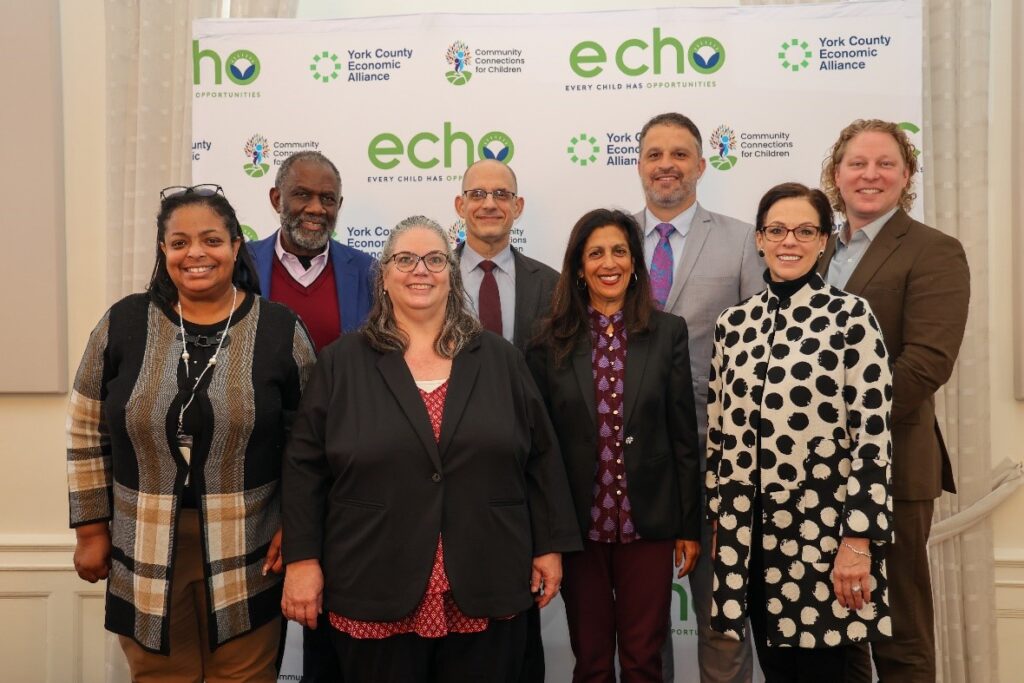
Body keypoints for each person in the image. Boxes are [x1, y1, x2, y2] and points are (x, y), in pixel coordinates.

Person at [280, 216, 581, 682]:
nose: (420, 270)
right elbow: (304, 469)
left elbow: (541, 457)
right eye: (405, 259)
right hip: (372, 578)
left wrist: (549, 547)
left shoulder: (500, 358)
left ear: (451, 274)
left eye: (435, 259)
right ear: (383, 275)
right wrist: (302, 560)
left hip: (486, 574)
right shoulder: (342, 362)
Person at [67, 185, 317, 682]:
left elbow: (310, 442)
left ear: (235, 246)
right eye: (179, 243)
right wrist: (91, 530)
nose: (195, 254)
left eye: (211, 240)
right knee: (160, 677)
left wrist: (299, 524)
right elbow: (86, 430)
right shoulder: (123, 323)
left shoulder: (279, 329)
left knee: (244, 676)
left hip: (252, 544)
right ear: (164, 252)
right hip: (143, 543)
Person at [705, 182, 894, 681]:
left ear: (824, 240)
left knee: (826, 671)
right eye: (777, 230)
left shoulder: (851, 317)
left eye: (805, 230)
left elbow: (873, 439)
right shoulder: (734, 325)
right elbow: (719, 433)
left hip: (824, 537)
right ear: (760, 240)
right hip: (750, 537)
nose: (790, 241)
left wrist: (859, 540)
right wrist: (720, 520)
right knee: (776, 669)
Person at [819, 119, 971, 682]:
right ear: (837, 173)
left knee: (898, 634)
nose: (870, 175)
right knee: (834, 634)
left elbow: (927, 363)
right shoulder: (815, 251)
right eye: (857, 163)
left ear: (906, 175)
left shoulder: (934, 251)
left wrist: (837, 426)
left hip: (893, 469)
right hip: (815, 476)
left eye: (885, 163)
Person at [527, 208, 700, 682]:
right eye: (596, 253)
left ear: (635, 263)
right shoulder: (547, 342)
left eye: (620, 251)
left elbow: (683, 434)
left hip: (649, 523)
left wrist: (689, 524)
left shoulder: (668, 333)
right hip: (578, 527)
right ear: (579, 267)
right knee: (592, 659)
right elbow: (538, 451)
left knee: (644, 657)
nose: (609, 262)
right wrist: (545, 531)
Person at [633, 112, 763, 683]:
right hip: (633, 459)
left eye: (680, 154)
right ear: (638, 164)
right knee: (641, 620)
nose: (667, 165)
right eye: (655, 153)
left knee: (722, 612)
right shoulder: (612, 243)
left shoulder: (741, 240)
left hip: (719, 456)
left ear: (702, 165)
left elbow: (764, 345)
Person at [454, 158, 559, 681]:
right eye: (477, 193)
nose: (488, 203)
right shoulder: (427, 279)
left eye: (501, 194)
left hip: (523, 473)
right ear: (460, 207)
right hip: (445, 471)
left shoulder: (554, 284)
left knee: (513, 633)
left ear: (517, 207)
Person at [248, 151, 375, 354]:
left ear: (339, 205)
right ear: (276, 199)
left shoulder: (367, 271)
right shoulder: (242, 264)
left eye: (327, 199)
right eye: (302, 194)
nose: (317, 209)